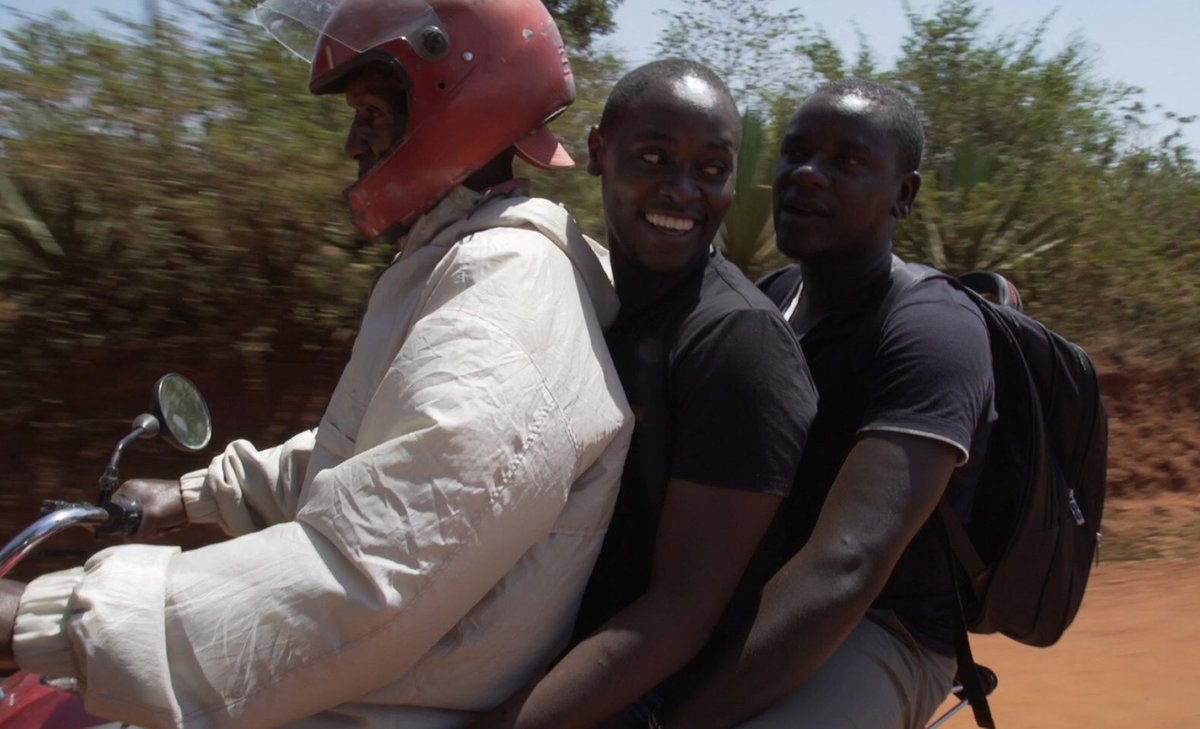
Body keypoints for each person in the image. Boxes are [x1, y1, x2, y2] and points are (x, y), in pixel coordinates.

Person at [0, 1, 633, 727]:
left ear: (453, 102)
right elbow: (374, 452)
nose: (351, 144)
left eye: (370, 112)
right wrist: (199, 496)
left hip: (376, 704)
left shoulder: (507, 297)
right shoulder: (460, 257)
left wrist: (43, 619)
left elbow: (365, 578)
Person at [474, 60, 817, 729]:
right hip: (540, 654)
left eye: (711, 169)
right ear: (600, 152)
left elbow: (681, 611)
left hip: (643, 695)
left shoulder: (738, 343)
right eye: (654, 157)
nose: (682, 191)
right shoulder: (586, 299)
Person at [659, 79, 997, 728]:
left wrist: (671, 717)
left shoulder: (932, 329)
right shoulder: (773, 297)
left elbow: (847, 565)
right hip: (756, 595)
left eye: (847, 161)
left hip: (881, 626)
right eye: (795, 153)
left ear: (904, 194)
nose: (807, 175)